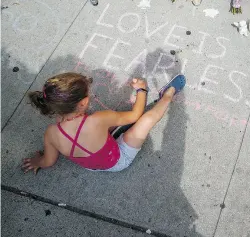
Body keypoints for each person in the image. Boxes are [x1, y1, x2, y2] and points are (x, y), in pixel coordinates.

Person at [22, 72, 186, 174]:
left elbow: (48, 161)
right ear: (83, 103)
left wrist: (37, 162)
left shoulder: (51, 133)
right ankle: (168, 94)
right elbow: (135, 115)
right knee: (146, 121)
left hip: (92, 166)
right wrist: (141, 90)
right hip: (118, 160)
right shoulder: (99, 119)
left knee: (108, 126)